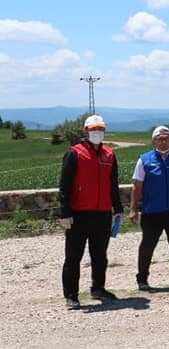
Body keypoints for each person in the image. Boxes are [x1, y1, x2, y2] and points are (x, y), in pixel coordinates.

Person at [58, 114, 123, 309]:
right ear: (85, 131)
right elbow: (64, 185)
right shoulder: (74, 153)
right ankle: (71, 295)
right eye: (93, 129)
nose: (97, 132)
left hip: (102, 213)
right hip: (78, 214)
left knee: (99, 255)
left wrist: (118, 209)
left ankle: (98, 288)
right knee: (73, 257)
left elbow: (113, 185)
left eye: (100, 129)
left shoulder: (110, 155)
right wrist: (65, 212)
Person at [129, 126, 169, 290]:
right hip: (152, 212)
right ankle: (142, 278)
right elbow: (137, 187)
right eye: (160, 139)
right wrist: (133, 209)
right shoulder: (144, 160)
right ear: (154, 141)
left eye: (166, 138)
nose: (163, 142)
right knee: (147, 246)